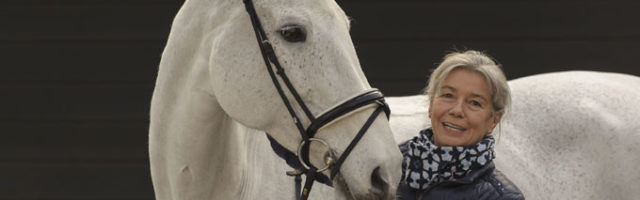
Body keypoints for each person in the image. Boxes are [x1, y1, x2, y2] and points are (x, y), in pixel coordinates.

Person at [396, 50, 524, 200]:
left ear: (494, 120)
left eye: (474, 103)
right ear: (431, 104)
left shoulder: (500, 197)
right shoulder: (388, 169)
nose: (457, 111)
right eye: (448, 95)